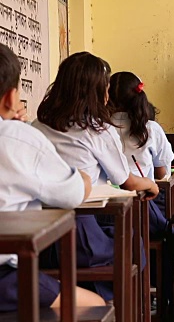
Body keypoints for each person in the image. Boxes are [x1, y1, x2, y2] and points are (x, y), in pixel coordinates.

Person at [32, 52, 159, 302]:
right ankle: (111, 306)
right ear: (98, 91)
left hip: (40, 240)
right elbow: (128, 182)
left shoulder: (37, 126)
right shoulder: (97, 130)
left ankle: (85, 300)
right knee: (134, 246)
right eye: (106, 87)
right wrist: (152, 184)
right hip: (79, 237)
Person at [0, 43, 105, 310]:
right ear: (11, 99)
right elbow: (72, 194)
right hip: (6, 278)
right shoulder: (20, 138)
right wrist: (83, 178)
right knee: (95, 305)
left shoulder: (30, 129)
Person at [108, 71, 174, 237]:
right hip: (144, 210)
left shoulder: (99, 128)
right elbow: (162, 177)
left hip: (105, 212)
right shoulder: (151, 129)